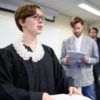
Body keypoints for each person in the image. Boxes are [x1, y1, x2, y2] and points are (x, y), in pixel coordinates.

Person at [0, 4, 81, 100]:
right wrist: (38, 97)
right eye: (35, 17)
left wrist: (69, 86)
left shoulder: (48, 52)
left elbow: (60, 76)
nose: (41, 20)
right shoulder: (7, 54)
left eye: (42, 17)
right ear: (22, 22)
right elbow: (4, 89)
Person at [60, 16, 98, 100]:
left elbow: (96, 59)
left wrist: (88, 60)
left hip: (86, 77)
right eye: (74, 28)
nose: (76, 30)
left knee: (90, 98)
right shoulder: (65, 42)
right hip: (71, 77)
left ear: (83, 26)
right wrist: (66, 60)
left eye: (78, 28)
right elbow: (61, 60)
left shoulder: (91, 42)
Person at [88, 27, 100, 100]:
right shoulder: (86, 41)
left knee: (96, 81)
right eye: (91, 32)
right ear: (89, 33)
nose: (93, 34)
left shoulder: (99, 40)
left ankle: (98, 97)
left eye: (94, 32)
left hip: (97, 63)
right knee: (89, 81)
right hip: (88, 63)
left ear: (96, 33)